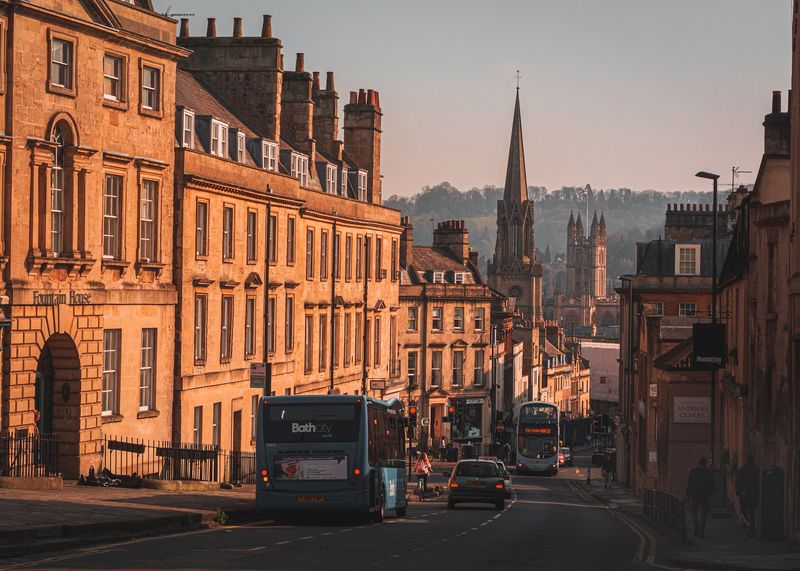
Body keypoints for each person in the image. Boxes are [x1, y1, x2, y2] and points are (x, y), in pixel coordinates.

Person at [686, 457, 715, 538]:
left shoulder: (693, 471)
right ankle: (701, 531)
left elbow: (690, 483)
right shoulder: (707, 472)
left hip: (694, 495)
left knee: (693, 512)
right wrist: (709, 493)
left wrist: (688, 494)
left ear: (698, 463)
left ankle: (696, 526)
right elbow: (712, 484)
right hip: (704, 495)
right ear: (705, 463)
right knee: (703, 514)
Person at [735, 453, 759, 538]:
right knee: (751, 513)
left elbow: (737, 482)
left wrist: (739, 492)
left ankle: (749, 526)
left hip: (744, 495)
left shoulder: (742, 470)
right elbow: (757, 483)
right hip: (752, 496)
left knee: (743, 512)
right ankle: (750, 527)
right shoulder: (756, 470)